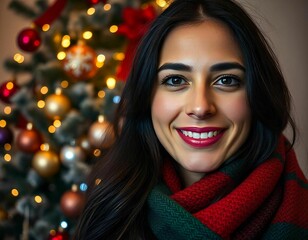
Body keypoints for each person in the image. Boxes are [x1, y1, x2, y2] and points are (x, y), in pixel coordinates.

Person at [74, 0, 308, 239]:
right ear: (147, 96)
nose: (200, 107)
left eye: (226, 80)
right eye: (175, 80)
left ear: (257, 93)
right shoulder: (109, 214)